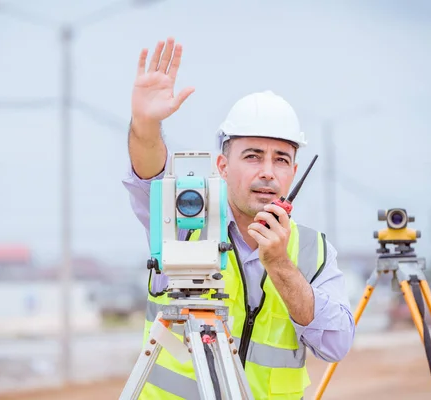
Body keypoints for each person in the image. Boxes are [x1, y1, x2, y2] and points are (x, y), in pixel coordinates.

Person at [122, 37, 355, 400]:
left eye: (280, 159)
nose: (267, 172)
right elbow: (150, 174)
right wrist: (145, 125)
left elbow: (337, 344)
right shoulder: (185, 220)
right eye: (252, 156)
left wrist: (280, 265)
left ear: (293, 172)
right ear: (222, 166)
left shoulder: (312, 251)